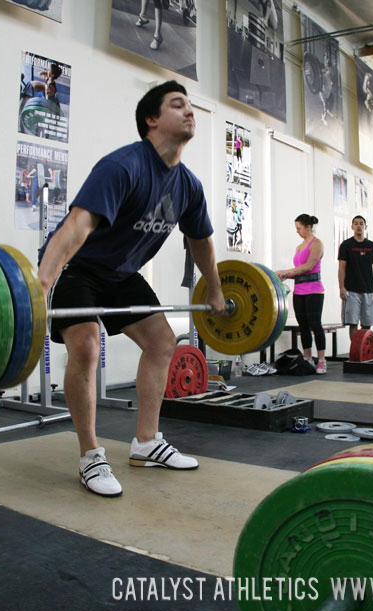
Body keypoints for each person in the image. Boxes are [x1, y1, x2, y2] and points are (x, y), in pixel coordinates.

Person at [37, 81, 225, 498]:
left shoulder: (188, 186)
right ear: (151, 120)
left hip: (122, 273)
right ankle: (90, 456)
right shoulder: (123, 167)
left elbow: (201, 241)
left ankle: (145, 442)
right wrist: (42, 284)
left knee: (162, 341)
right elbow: (77, 227)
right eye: (178, 105)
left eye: (191, 106)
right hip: (79, 267)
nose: (189, 111)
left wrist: (214, 289)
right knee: (86, 347)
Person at [275, 214, 327, 374]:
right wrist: (286, 275)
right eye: (296, 228)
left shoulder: (317, 244)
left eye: (299, 228)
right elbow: (298, 270)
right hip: (299, 291)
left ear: (308, 227)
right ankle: (308, 358)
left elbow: (308, 267)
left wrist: (286, 272)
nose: (297, 231)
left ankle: (322, 361)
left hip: (314, 291)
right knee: (303, 326)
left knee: (315, 324)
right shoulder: (299, 247)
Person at [338, 215, 373, 341]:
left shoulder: (372, 246)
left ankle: (364, 351)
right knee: (353, 322)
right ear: (352, 226)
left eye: (361, 223)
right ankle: (355, 350)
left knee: (367, 322)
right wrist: (341, 287)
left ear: (365, 227)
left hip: (368, 290)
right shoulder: (346, 245)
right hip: (351, 290)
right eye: (356, 223)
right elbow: (342, 267)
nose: (359, 226)